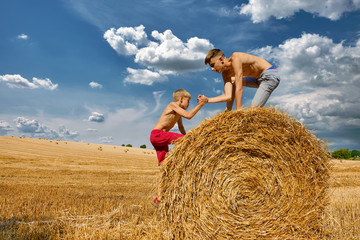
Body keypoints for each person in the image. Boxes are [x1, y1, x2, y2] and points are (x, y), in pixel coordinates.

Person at [150, 89, 206, 207]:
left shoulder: (178, 112)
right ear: (181, 99)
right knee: (187, 140)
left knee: (164, 168)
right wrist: (201, 104)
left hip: (160, 139)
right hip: (157, 135)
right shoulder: (172, 105)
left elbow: (181, 127)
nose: (189, 104)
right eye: (188, 101)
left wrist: (186, 138)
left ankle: (159, 199)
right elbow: (189, 115)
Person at [197, 49, 280, 110]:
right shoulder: (225, 74)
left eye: (212, 65)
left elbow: (239, 88)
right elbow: (228, 96)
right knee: (233, 81)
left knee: (253, 111)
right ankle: (228, 111)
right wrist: (207, 100)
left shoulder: (235, 58)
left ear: (221, 59)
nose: (212, 69)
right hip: (257, 79)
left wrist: (238, 111)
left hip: (269, 76)